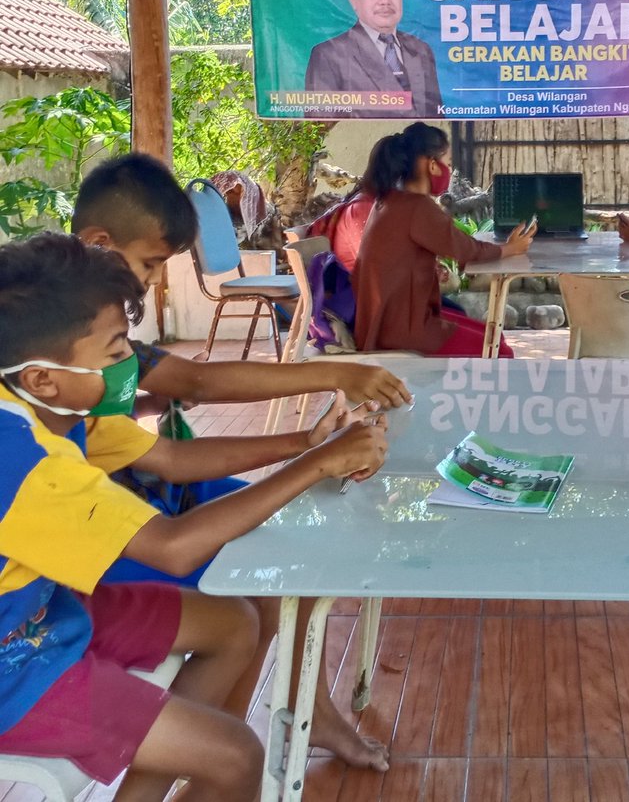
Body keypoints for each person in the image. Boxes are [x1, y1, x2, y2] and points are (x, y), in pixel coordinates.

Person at [0, 233, 387, 796]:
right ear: (43, 376)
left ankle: (154, 781)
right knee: (235, 757)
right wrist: (317, 465)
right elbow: (173, 546)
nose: (131, 364)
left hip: (43, 615)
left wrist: (306, 444)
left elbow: (173, 458)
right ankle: (199, 756)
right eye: (113, 352)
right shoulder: (24, 458)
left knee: (232, 623)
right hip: (13, 669)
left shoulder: (51, 407)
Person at [72, 153, 410, 415]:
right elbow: (198, 382)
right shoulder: (60, 328)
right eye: (150, 263)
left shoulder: (104, 325)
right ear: (99, 242)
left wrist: (150, 406)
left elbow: (188, 383)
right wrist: (336, 377)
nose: (157, 277)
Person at [353, 123, 536, 355]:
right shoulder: (417, 207)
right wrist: (510, 248)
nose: (448, 171)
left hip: (382, 322)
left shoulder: (389, 200)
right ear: (432, 164)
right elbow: (467, 250)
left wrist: (428, 265)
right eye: (447, 163)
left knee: (494, 337)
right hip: (401, 330)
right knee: (499, 350)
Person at [305, 0, 443, 116]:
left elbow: (437, 115)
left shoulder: (421, 50)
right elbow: (320, 123)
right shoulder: (329, 55)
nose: (384, 0)